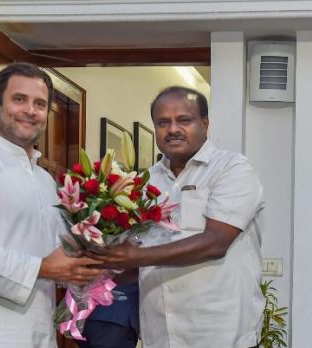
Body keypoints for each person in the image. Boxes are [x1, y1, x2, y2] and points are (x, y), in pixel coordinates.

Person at [91, 86, 265, 348]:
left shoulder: (231, 168)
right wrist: (93, 268)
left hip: (220, 334)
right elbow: (131, 253)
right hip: (160, 334)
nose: (172, 129)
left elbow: (215, 242)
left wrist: (135, 257)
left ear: (205, 124)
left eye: (184, 120)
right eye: (163, 122)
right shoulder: (142, 182)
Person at [0, 62, 102, 348]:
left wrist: (86, 265)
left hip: (39, 330)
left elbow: (56, 256)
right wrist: (41, 269)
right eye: (19, 100)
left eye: (40, 104)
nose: (30, 111)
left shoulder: (46, 180)